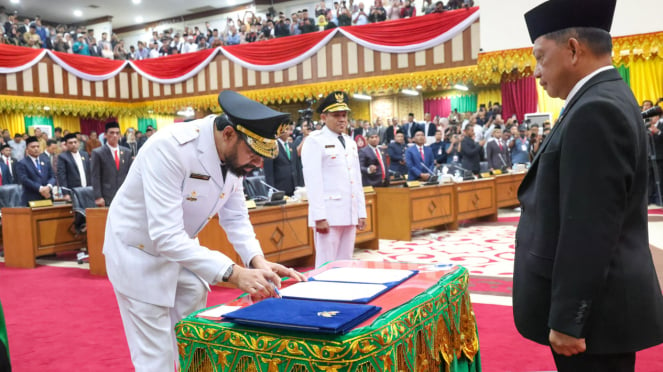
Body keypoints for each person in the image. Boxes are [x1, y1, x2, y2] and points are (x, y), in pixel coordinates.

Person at [103, 90, 307, 371]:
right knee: (157, 359)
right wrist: (236, 274)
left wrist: (257, 261)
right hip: (141, 255)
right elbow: (164, 236)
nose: (259, 164)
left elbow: (235, 216)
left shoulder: (234, 157)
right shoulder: (171, 148)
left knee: (196, 346)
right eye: (254, 153)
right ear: (228, 134)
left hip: (184, 253)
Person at [514, 1, 663, 371]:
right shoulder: (605, 96)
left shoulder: (596, 109)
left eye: (540, 57)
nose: (536, 72)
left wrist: (568, 318)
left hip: (595, 319)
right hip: (603, 309)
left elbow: (590, 226)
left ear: (573, 50)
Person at [301, 91, 366, 268]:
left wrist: (361, 212)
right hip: (329, 213)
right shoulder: (315, 141)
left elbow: (357, 180)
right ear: (323, 117)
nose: (342, 120)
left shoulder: (350, 142)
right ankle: (323, 294)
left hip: (349, 211)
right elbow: (313, 182)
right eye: (336, 115)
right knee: (326, 264)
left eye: (344, 115)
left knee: (345, 262)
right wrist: (319, 216)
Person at [90, 122, 133, 207]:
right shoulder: (98, 153)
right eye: (111, 133)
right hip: (107, 196)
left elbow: (130, 174)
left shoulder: (126, 152)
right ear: (105, 135)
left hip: (124, 195)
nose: (115, 136)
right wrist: (98, 196)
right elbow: (95, 176)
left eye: (117, 133)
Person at [262, 123, 303, 196]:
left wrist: (301, 185)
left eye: (287, 129)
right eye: (283, 129)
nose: (286, 131)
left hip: (295, 188)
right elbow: (269, 172)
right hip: (280, 188)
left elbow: (297, 167)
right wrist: (271, 190)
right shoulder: (272, 147)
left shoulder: (292, 146)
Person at [15, 136, 55, 206]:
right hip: (31, 199)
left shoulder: (46, 160)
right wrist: (40, 188)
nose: (36, 149)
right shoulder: (22, 163)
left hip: (47, 197)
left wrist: (48, 187)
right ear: (27, 149)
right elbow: (24, 179)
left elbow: (53, 176)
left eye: (37, 146)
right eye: (33, 147)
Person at [57, 133, 90, 201]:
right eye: (70, 143)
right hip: (73, 191)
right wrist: (65, 193)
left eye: (75, 142)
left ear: (78, 143)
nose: (73, 144)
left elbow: (89, 172)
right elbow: (62, 176)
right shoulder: (63, 157)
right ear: (66, 144)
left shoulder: (85, 154)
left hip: (87, 189)